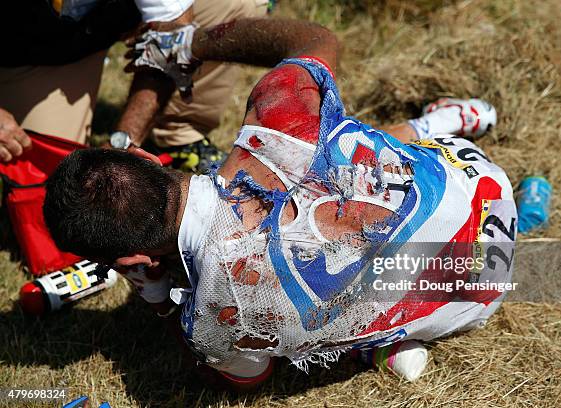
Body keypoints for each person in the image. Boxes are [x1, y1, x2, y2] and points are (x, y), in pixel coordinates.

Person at [43, 18, 517, 388]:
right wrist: (191, 45)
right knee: (345, 157)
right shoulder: (279, 119)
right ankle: (432, 127)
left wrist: (157, 298)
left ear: (132, 260)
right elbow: (314, 36)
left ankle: (372, 344)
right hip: (486, 196)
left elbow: (248, 380)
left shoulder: (213, 321)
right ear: (147, 156)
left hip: (477, 300)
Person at [0, 0, 270, 168]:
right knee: (46, 178)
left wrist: (124, 144)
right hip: (29, 48)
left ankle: (178, 138)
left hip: (105, 19)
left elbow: (172, 37)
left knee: (230, 3)